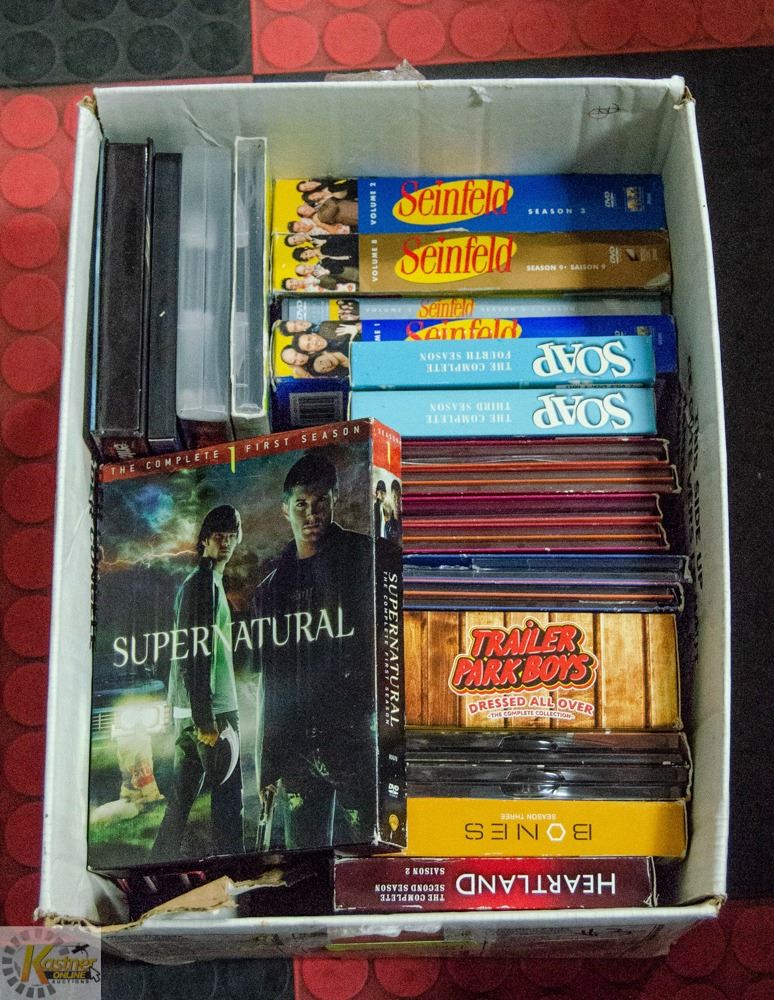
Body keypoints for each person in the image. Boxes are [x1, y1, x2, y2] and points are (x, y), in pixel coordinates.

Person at [251, 451, 375, 851]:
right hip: (296, 751)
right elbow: (273, 681)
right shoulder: (272, 589)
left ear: (334, 500)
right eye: (301, 504)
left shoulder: (365, 557)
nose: (312, 514)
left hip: (353, 736)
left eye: (320, 501)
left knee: (370, 853)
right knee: (302, 860)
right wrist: (268, 763)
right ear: (285, 509)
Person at [152, 505, 245, 860]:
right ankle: (233, 868)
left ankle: (157, 862)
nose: (226, 543)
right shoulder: (203, 584)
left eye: (232, 536)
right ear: (204, 540)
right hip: (213, 715)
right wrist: (205, 719)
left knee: (180, 804)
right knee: (229, 803)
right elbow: (195, 654)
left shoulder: (206, 582)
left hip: (195, 713)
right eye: (219, 536)